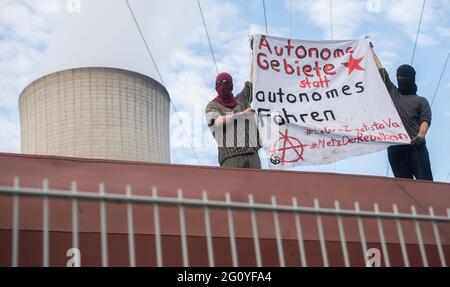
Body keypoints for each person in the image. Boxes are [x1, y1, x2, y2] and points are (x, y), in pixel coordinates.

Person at [371, 44, 433, 181]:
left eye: (405, 78)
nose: (402, 80)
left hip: (416, 147)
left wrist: (421, 136)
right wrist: (371, 51)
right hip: (396, 149)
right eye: (400, 77)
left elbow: (425, 120)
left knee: (426, 185)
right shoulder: (393, 92)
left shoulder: (421, 101)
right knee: (404, 186)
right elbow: (381, 72)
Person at [205, 72, 262, 168]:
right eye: (219, 83)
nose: (222, 85)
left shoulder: (241, 100)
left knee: (257, 183)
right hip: (231, 158)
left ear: (231, 85)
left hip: (252, 155)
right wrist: (241, 114)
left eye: (226, 82)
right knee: (231, 183)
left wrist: (257, 59)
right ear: (215, 87)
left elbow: (254, 82)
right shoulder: (212, 105)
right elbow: (217, 122)